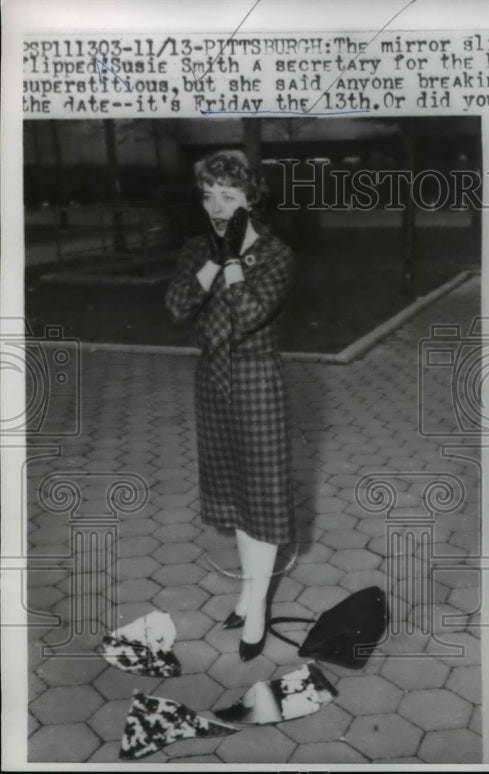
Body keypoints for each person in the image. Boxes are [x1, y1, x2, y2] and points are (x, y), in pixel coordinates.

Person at [165, 150, 295, 662]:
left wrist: (235, 260)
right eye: (208, 194)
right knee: (236, 492)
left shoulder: (277, 254)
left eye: (228, 195)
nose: (216, 206)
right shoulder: (198, 248)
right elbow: (177, 307)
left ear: (250, 200)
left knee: (260, 495)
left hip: (257, 380)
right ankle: (248, 593)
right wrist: (214, 260)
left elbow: (250, 315)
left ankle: (257, 609)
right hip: (211, 381)